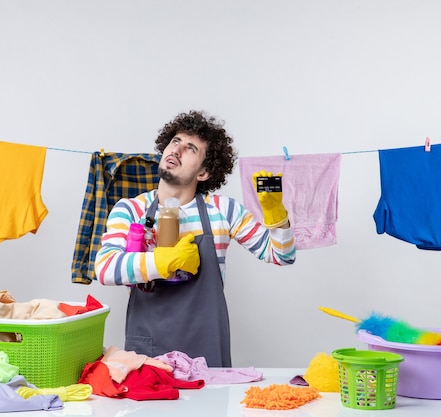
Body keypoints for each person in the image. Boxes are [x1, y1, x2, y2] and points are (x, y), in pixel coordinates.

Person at [94, 110, 296, 367]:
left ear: (204, 173)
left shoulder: (223, 211)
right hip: (149, 354)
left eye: (190, 148)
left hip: (206, 347)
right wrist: (163, 261)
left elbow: (282, 256)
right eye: (175, 141)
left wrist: (278, 218)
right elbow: (105, 268)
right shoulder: (131, 209)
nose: (176, 150)